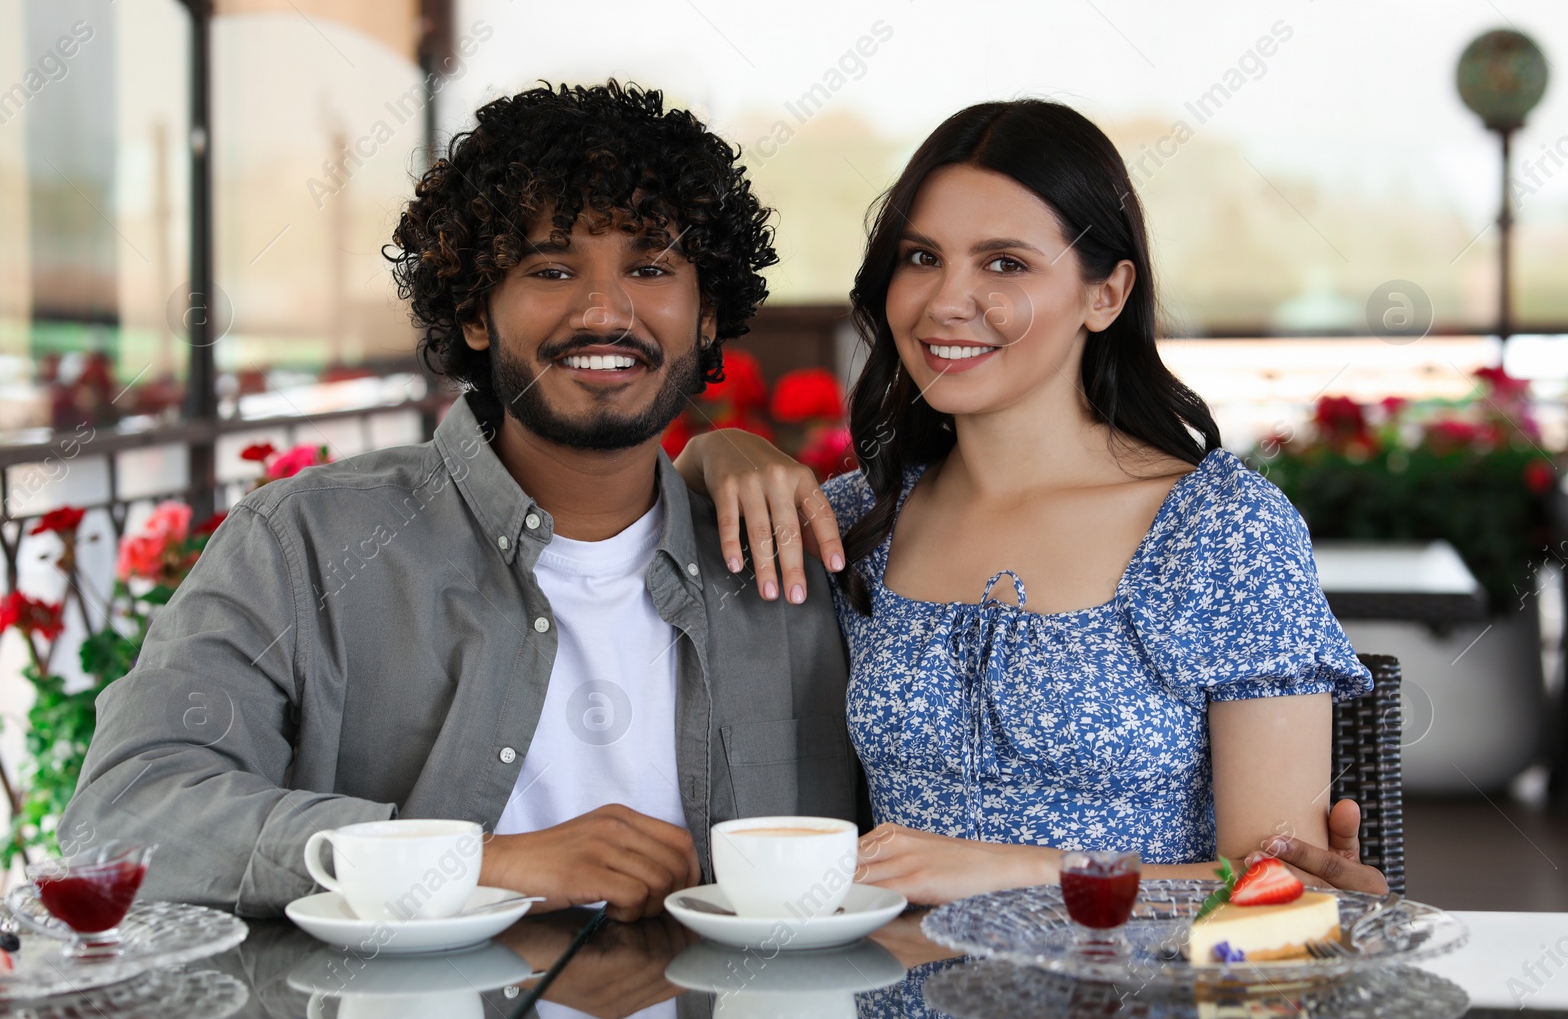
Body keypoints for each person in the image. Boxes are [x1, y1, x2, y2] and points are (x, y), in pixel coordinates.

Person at [62, 82, 860, 934]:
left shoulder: (794, 561)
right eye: (551, 269)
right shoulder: (305, 543)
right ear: (477, 312)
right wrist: (470, 862)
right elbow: (124, 816)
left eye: (651, 267)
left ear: (706, 319)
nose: (605, 310)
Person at [676, 97, 1390, 902]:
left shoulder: (1221, 530)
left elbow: (1281, 887)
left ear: (1106, 294)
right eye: (920, 257)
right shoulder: (853, 525)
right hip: (883, 1012)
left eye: (1005, 263)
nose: (946, 301)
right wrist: (712, 448)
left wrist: (1017, 871)